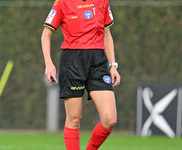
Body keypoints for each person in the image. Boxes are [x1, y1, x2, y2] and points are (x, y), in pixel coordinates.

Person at [41, 0, 120, 149]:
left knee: (110, 119)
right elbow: (46, 34)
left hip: (98, 61)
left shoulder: (102, 1)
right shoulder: (62, 2)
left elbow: (107, 34)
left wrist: (113, 65)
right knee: (74, 119)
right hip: (72, 61)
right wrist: (48, 63)